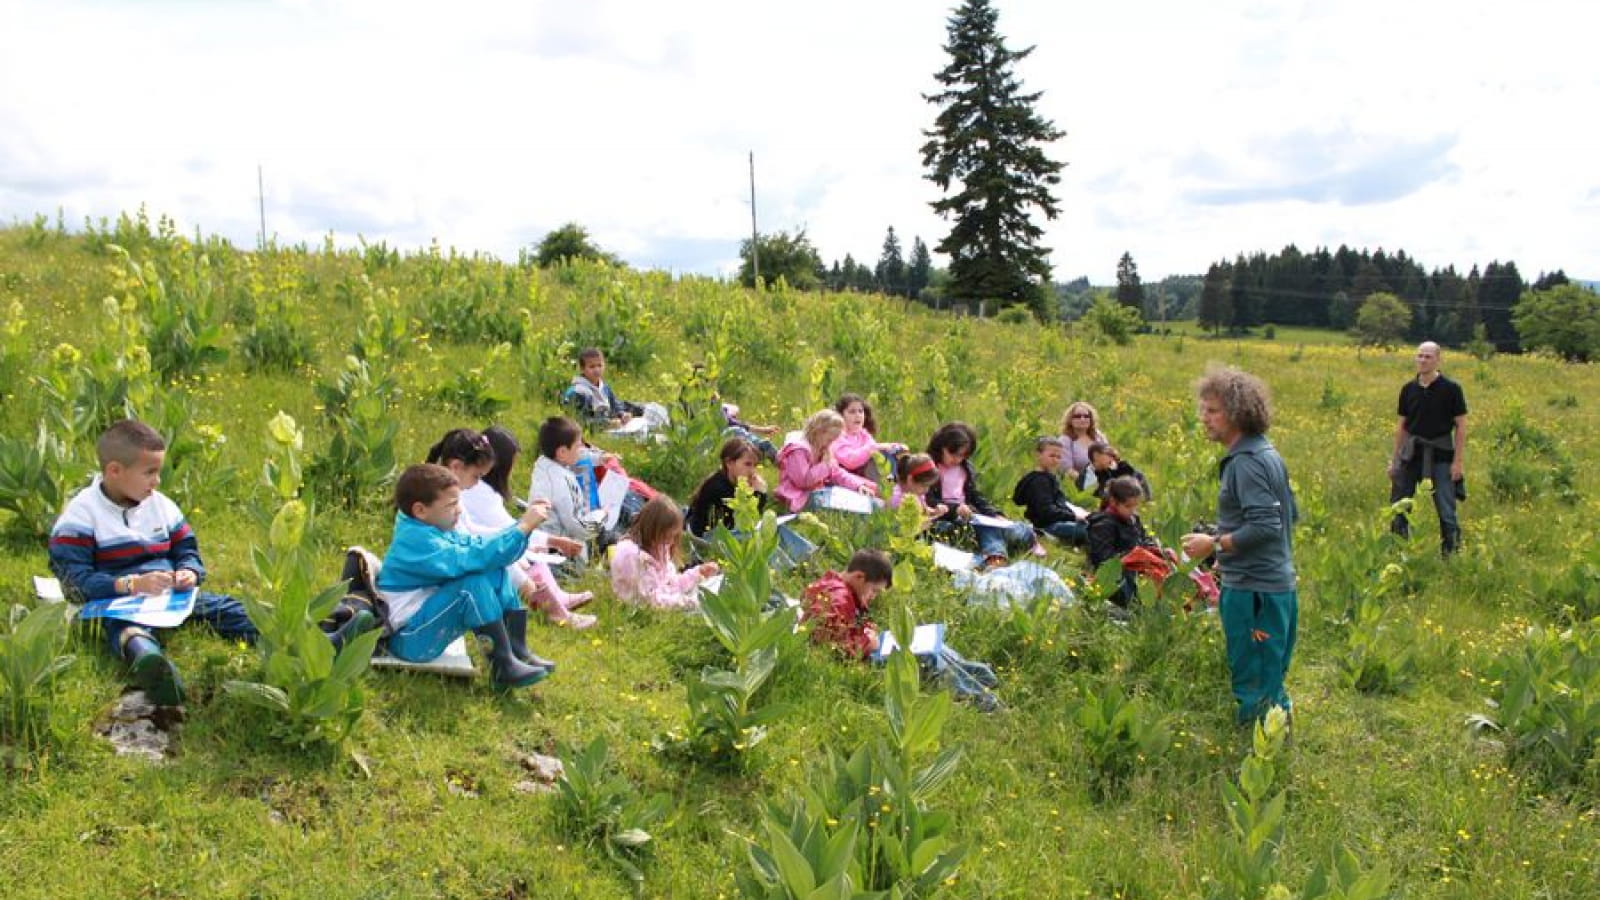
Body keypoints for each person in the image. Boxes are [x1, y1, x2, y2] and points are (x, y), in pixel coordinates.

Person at [48, 420, 353, 707]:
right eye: (149, 472)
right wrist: (128, 585)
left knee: (229, 610)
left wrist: (189, 572)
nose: (157, 482)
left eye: (159, 472)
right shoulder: (79, 517)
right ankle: (153, 666)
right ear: (114, 471)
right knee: (126, 628)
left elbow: (186, 548)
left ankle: (322, 644)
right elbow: (75, 583)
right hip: (116, 602)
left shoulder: (160, 505)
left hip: (171, 597)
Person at [1181, 368, 1299, 727]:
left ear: (1237, 413)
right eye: (1203, 409)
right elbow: (1287, 515)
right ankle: (1275, 743)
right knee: (1268, 674)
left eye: (1212, 411)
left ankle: (1260, 755)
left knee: (1256, 680)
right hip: (1268, 586)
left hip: (1255, 593)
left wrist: (1214, 544)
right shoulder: (1266, 454)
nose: (1204, 418)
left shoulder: (1247, 463)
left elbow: (1267, 525)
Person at [376, 464, 555, 689]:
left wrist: (522, 528)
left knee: (495, 570)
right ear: (420, 510)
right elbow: (476, 556)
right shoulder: (418, 541)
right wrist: (523, 526)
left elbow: (478, 546)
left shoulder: (428, 527)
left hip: (421, 627)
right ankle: (502, 666)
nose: (459, 510)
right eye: (451, 505)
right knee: (471, 585)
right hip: (408, 639)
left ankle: (516, 651)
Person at [429, 427, 595, 631]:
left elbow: (471, 532)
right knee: (503, 560)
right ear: (456, 467)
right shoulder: (451, 499)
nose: (476, 483)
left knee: (503, 559)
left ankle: (535, 617)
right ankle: (547, 609)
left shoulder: (449, 496)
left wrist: (518, 534)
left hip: (448, 564)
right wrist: (522, 530)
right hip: (442, 574)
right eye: (476, 476)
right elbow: (471, 538)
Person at [802, 548, 1000, 710]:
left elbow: (853, 624)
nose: (873, 597)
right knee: (924, 655)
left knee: (931, 645)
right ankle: (981, 697)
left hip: (868, 645)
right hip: (862, 658)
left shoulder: (842, 588)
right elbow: (828, 646)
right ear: (859, 577)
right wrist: (866, 642)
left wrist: (868, 630)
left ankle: (978, 677)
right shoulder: (837, 598)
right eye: (874, 591)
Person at [923, 421, 1040, 568]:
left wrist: (994, 514)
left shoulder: (965, 469)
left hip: (969, 516)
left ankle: (1018, 536)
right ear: (941, 446)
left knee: (990, 524)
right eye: (953, 454)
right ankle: (1000, 552)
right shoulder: (929, 467)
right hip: (944, 518)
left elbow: (975, 496)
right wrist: (954, 508)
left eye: (963, 456)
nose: (957, 460)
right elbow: (926, 499)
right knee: (987, 529)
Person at [1388, 341, 1468, 555]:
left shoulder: (1452, 389)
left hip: (1441, 455)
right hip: (1411, 454)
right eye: (1420, 356)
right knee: (1399, 505)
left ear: (1438, 360)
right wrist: (1395, 460)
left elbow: (1461, 426)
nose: (1422, 360)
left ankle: (1451, 554)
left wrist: (1457, 462)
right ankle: (1397, 551)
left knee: (1446, 509)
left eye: (1428, 357)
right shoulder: (1408, 389)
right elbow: (1402, 427)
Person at [610, 495, 720, 610]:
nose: (671, 542)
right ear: (652, 530)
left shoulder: (660, 546)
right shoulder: (632, 556)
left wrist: (698, 573)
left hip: (663, 602)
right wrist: (688, 602)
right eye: (667, 537)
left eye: (673, 537)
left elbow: (670, 584)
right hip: (640, 611)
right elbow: (650, 601)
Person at [527, 416, 603, 558]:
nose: (581, 450)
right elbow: (578, 528)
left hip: (542, 540)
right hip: (562, 553)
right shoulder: (563, 482)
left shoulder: (543, 464)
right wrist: (602, 516)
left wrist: (599, 458)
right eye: (578, 446)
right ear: (562, 452)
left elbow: (575, 457)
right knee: (610, 535)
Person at [775, 409, 879, 513]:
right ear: (818, 432)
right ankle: (872, 509)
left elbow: (836, 472)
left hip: (817, 489)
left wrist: (858, 485)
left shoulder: (822, 447)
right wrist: (825, 465)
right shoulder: (798, 451)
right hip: (797, 496)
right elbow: (802, 481)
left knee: (864, 495)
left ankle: (877, 504)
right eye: (830, 440)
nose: (831, 443)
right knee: (848, 505)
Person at [1086, 476, 1160, 606]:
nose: (1133, 510)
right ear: (1114, 502)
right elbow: (1102, 558)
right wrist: (1132, 557)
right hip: (1117, 572)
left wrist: (1153, 550)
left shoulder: (1133, 519)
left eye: (1135, 506)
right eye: (1128, 506)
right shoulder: (1103, 524)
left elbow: (1145, 539)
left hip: (1139, 567)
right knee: (1130, 591)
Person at [1012, 436, 1088, 545]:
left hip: (1058, 521)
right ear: (1038, 455)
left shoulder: (1048, 477)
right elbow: (1047, 512)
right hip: (1049, 526)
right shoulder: (1039, 481)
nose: (1055, 460)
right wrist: (1074, 517)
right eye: (1051, 456)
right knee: (1091, 529)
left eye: (1058, 457)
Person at [686, 437, 769, 537]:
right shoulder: (718, 488)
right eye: (747, 464)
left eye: (754, 465)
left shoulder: (733, 482)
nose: (752, 471)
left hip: (725, 532)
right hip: (709, 537)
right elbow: (742, 523)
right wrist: (760, 494)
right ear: (729, 463)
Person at [831, 393, 905, 481]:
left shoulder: (863, 434)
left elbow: (875, 448)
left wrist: (894, 447)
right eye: (852, 412)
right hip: (846, 480)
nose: (858, 415)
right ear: (840, 416)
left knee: (893, 454)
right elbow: (850, 461)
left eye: (860, 411)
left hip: (866, 480)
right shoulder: (837, 437)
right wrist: (875, 448)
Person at [566, 347, 644, 428]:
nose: (597, 370)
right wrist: (607, 424)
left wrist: (622, 414)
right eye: (592, 367)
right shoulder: (579, 392)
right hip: (597, 427)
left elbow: (614, 406)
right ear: (582, 369)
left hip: (609, 422)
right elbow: (581, 421)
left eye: (599, 365)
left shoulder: (604, 387)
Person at [889, 453, 949, 529]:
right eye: (924, 486)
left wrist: (935, 511)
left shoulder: (917, 494)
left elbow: (924, 510)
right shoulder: (897, 499)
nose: (926, 490)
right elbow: (900, 528)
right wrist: (920, 525)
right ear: (910, 479)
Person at [1076, 441, 1152, 502]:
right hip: (1102, 500)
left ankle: (1145, 499)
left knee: (1138, 475)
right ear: (1095, 459)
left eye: (1111, 456)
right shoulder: (1089, 474)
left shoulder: (1116, 466)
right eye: (1107, 456)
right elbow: (1091, 493)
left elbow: (1133, 477)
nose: (1111, 459)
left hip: (1124, 495)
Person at [1057, 401, 1109, 483]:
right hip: (1079, 485)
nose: (1082, 419)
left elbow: (1110, 460)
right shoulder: (1065, 440)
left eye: (1086, 416)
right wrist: (1088, 482)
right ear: (1070, 419)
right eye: (1077, 416)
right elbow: (1067, 470)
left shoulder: (1099, 437)